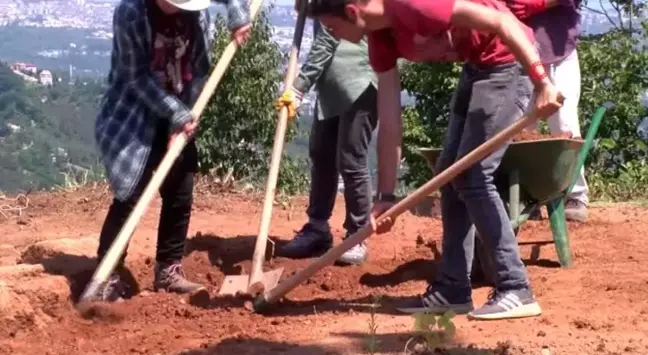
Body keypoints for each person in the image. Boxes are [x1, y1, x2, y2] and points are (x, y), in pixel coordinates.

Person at [301, 0, 563, 320]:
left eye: (333, 28)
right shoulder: (379, 39)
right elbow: (390, 121)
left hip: (509, 60)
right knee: (451, 175)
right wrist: (385, 197)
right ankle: (452, 289)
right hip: (478, 66)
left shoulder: (414, 4)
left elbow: (504, 23)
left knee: (473, 175)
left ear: (354, 12)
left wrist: (542, 82)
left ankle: (515, 286)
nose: (335, 36)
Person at [91, 0, 251, 302]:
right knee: (130, 195)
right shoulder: (131, 12)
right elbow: (135, 77)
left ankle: (168, 270)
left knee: (180, 191)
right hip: (134, 113)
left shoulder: (192, 10)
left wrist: (238, 14)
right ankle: (106, 273)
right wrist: (175, 113)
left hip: (182, 105)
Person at [275, 20, 378, 265]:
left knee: (351, 160)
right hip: (331, 86)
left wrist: (300, 86)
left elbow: (329, 36)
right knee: (321, 155)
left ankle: (357, 235)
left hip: (360, 80)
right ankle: (317, 228)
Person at [505, 0, 588, 222]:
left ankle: (575, 194)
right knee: (520, 128)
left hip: (558, 48)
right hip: (518, 48)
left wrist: (536, 3)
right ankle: (526, 197)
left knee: (565, 123)